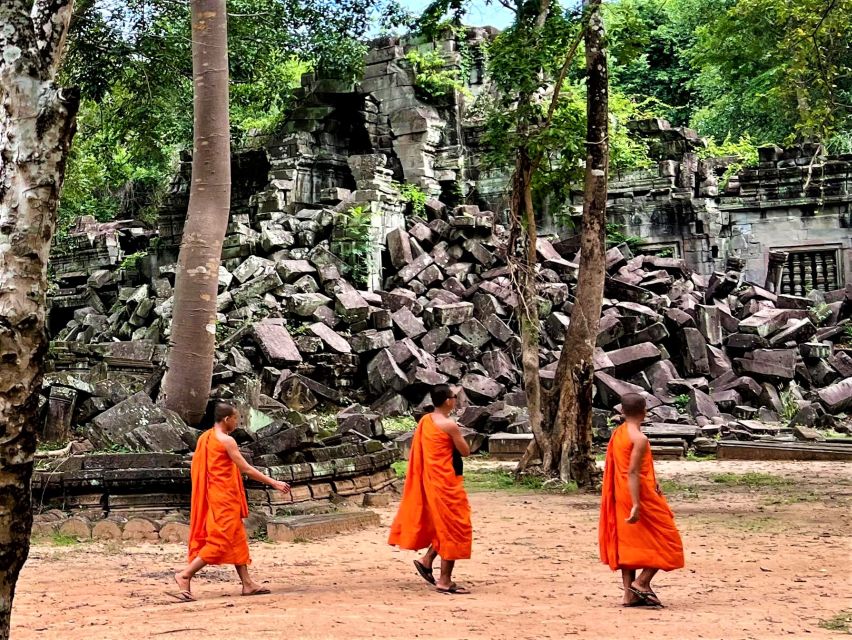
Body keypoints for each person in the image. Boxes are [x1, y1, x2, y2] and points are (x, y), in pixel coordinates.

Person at [171, 402, 291, 601]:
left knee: (236, 538)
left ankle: (247, 584)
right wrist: (274, 482)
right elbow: (246, 469)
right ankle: (185, 574)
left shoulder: (205, 438)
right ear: (227, 420)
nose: (238, 422)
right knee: (220, 541)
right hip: (223, 499)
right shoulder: (226, 441)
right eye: (237, 418)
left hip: (217, 495)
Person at [599, 393, 684, 608]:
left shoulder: (618, 434)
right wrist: (637, 503)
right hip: (639, 495)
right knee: (668, 539)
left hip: (620, 494)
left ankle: (629, 595)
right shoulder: (639, 438)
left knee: (629, 543)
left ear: (623, 412)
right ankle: (641, 583)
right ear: (644, 412)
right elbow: (633, 472)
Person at [388, 384, 472, 594]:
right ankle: (445, 580)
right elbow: (465, 451)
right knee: (453, 527)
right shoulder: (449, 425)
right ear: (448, 402)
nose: (456, 399)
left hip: (430, 480)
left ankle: (427, 560)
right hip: (446, 483)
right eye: (454, 397)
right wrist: (457, 435)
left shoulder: (425, 421)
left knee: (442, 526)